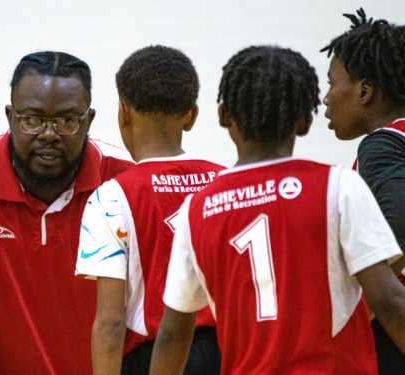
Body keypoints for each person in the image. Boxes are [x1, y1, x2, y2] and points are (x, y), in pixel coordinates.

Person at [150, 46, 405, 375]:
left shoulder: (197, 209)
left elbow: (172, 335)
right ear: (304, 121)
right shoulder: (338, 187)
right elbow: (388, 299)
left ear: (224, 115)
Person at [0, 51, 133, 374]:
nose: (49, 134)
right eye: (32, 119)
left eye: (67, 121)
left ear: (89, 121)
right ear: (10, 116)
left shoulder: (126, 179)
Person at [75, 45, 223, 375]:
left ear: (122, 112)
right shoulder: (229, 183)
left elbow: (110, 324)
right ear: (192, 115)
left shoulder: (110, 197)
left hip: (152, 360)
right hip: (229, 356)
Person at [321, 9, 405, 373]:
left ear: (365, 91)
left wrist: (358, 307)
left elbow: (399, 223)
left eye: (330, 83)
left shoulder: (382, 144)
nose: (325, 98)